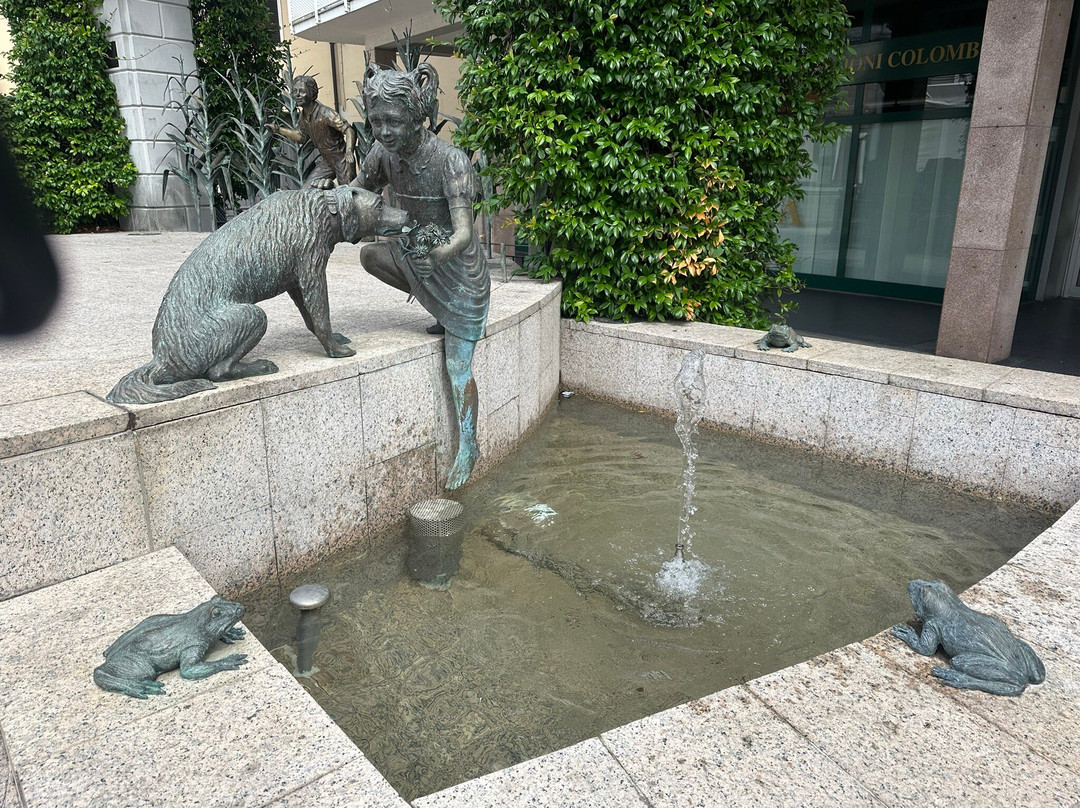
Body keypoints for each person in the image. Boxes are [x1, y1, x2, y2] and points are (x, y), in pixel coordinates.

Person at [353, 64, 490, 490]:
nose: (384, 132)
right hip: (419, 256)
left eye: (394, 121)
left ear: (417, 117)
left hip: (459, 270)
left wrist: (440, 252)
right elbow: (358, 191)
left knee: (457, 365)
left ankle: (469, 445)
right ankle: (432, 303)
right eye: (377, 122)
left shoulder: (451, 161)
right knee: (371, 256)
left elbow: (466, 234)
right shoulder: (382, 155)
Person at [267, 76, 357, 189]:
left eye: (302, 91)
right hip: (327, 161)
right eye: (295, 91)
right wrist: (278, 130)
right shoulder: (303, 117)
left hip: (342, 159)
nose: (297, 95)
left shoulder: (326, 114)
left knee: (348, 195)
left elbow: (349, 130)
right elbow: (301, 137)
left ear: (312, 93)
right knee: (307, 190)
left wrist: (349, 150)